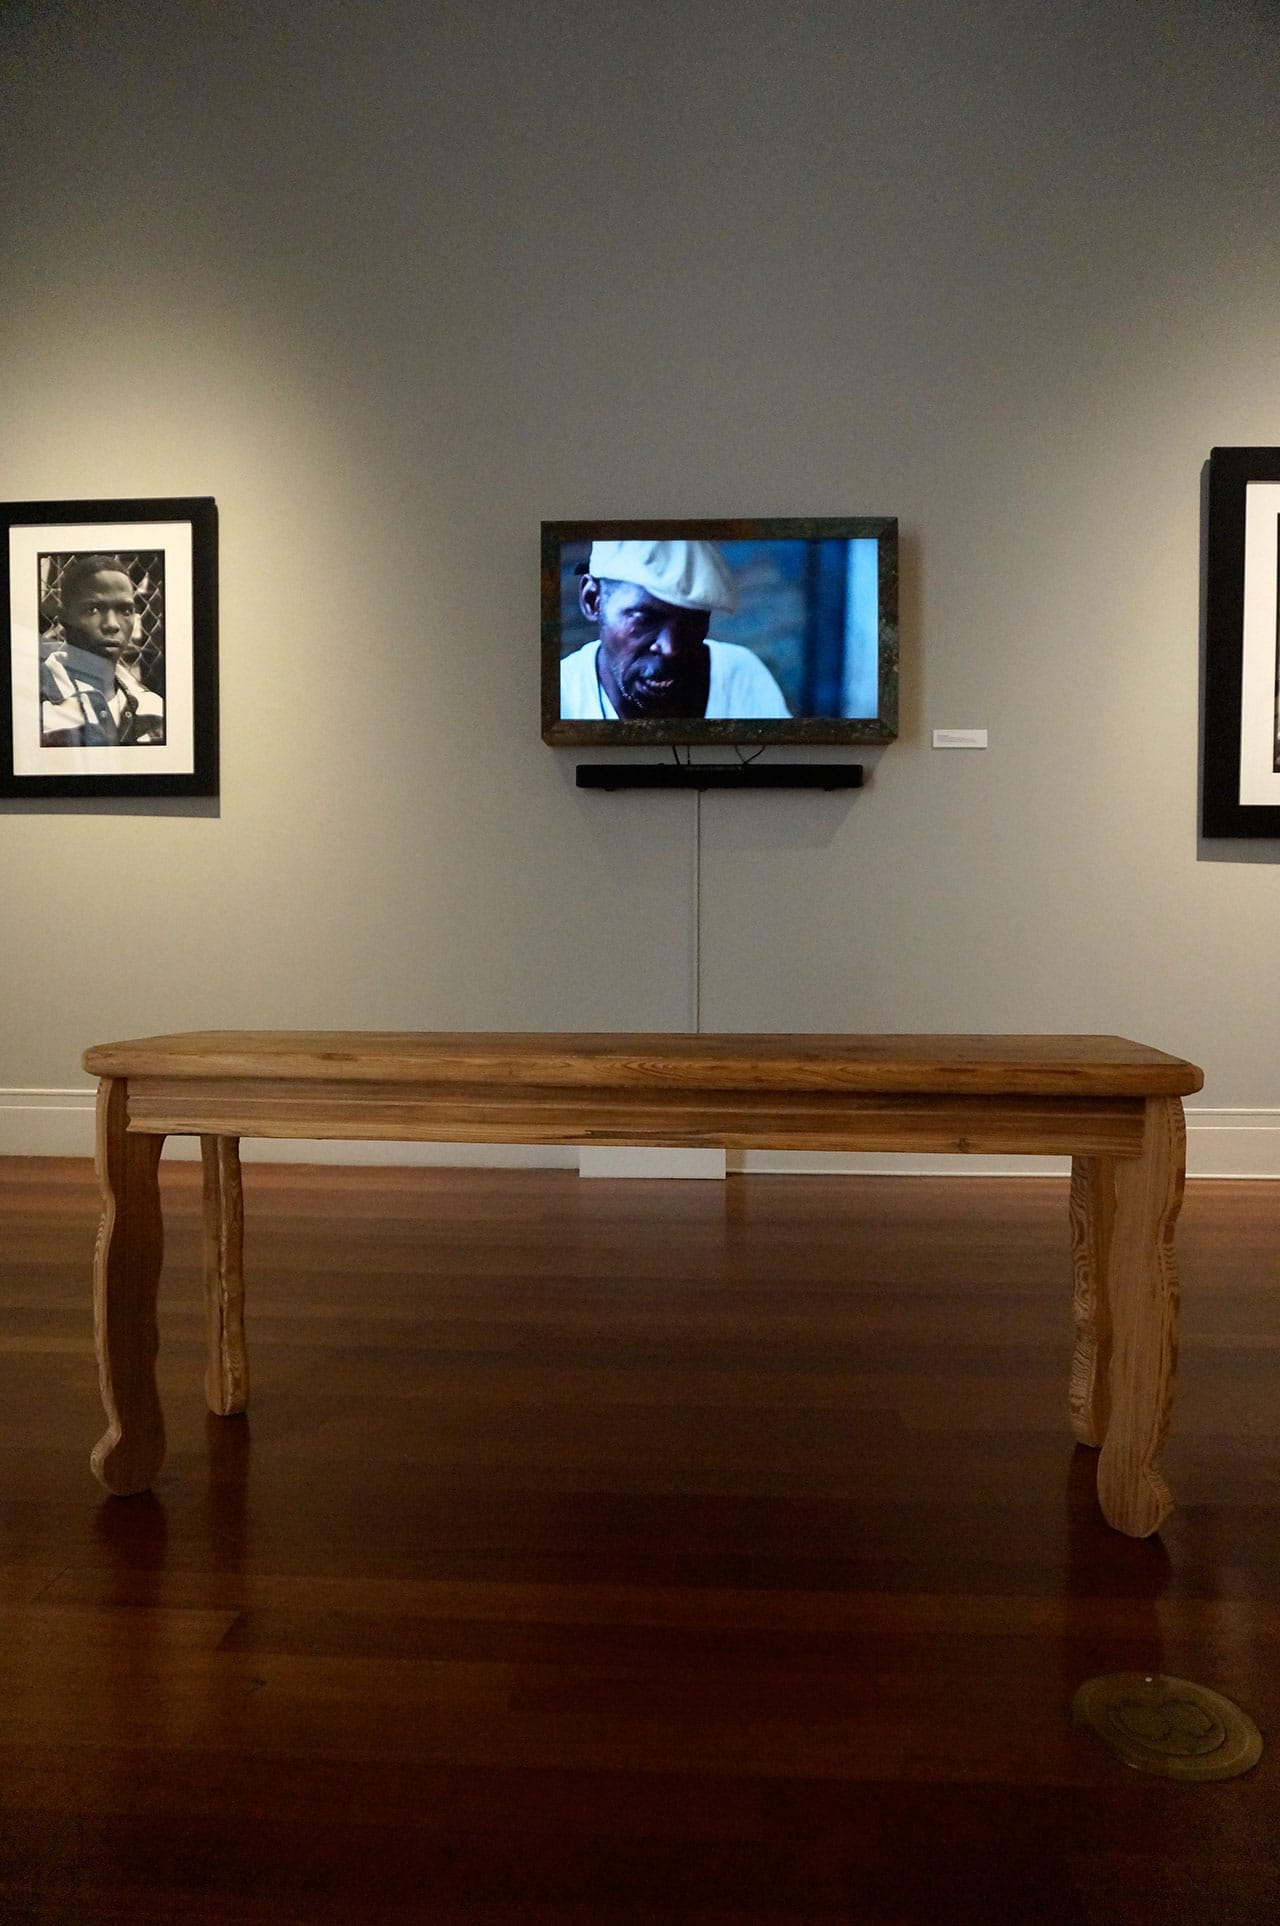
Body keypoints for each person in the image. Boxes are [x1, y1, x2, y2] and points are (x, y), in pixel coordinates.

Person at [560, 539, 790, 721]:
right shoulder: (561, 696)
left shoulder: (739, 676)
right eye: (645, 620)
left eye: (692, 622)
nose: (671, 649)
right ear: (593, 600)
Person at [40, 555, 164, 748]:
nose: (112, 625)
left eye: (125, 611)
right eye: (93, 609)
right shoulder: (35, 704)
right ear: (63, 617)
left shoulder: (153, 708)